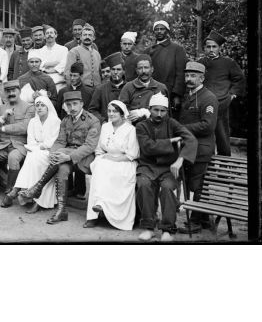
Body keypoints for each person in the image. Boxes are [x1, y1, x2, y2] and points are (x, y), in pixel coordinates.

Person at [18, 91, 100, 224]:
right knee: (61, 168)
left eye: (75, 104)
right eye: (69, 105)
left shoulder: (92, 121)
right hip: (65, 155)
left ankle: (37, 188)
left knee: (61, 157)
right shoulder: (66, 120)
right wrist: (53, 154)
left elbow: (89, 146)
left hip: (84, 157)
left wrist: (67, 157)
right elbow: (60, 141)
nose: (72, 108)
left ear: (81, 104)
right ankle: (62, 211)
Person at [135, 93, 197, 242]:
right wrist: (170, 141)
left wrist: (180, 159)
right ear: (149, 109)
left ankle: (168, 229)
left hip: (168, 168)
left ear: (167, 111)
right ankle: (148, 226)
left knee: (168, 188)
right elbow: (148, 147)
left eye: (163, 111)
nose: (159, 114)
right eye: (156, 110)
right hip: (147, 166)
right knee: (143, 185)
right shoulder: (141, 126)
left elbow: (191, 139)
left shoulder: (172, 123)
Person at [84, 100, 140, 230]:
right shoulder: (105, 127)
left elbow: (132, 154)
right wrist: (101, 158)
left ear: (122, 114)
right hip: (106, 158)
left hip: (125, 162)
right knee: (99, 168)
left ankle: (111, 212)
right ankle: (94, 214)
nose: (111, 114)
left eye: (114, 111)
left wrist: (114, 160)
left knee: (109, 171)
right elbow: (99, 149)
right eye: (109, 111)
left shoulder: (130, 130)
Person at [177, 61, 219, 233]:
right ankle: (204, 220)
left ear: (202, 78)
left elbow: (207, 126)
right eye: (187, 75)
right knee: (192, 184)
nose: (189, 79)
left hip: (201, 149)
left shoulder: (208, 98)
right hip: (189, 147)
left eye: (193, 76)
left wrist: (182, 129)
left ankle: (195, 222)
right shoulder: (189, 95)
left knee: (197, 186)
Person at [7, 94, 61, 213]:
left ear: (48, 107)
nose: (40, 107)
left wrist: (41, 146)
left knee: (32, 158)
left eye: (43, 105)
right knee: (33, 157)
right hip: (35, 151)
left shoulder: (55, 121)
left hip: (49, 151)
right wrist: (37, 147)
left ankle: (17, 188)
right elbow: (30, 140)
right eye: (37, 105)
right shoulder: (33, 121)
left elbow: (53, 141)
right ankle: (31, 195)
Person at [198, 30, 245, 156]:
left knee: (222, 133)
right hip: (203, 103)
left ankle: (225, 166)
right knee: (205, 133)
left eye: (214, 46)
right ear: (204, 48)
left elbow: (239, 79)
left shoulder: (228, 62)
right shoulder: (200, 63)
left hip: (222, 102)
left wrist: (233, 94)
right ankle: (207, 162)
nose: (211, 49)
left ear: (219, 48)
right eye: (208, 47)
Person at [147, 20, 187, 114]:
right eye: (156, 29)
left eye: (162, 29)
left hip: (169, 92)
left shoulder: (177, 49)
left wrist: (177, 95)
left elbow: (181, 73)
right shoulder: (148, 51)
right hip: (151, 92)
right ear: (154, 32)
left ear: (167, 31)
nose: (159, 31)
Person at [119, 54, 168, 125]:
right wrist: (132, 114)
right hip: (133, 127)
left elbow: (166, 113)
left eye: (146, 67)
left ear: (152, 69)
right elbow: (121, 109)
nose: (143, 71)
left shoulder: (161, 88)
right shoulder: (128, 87)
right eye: (140, 68)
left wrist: (143, 113)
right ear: (136, 70)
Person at [89, 54, 126, 124]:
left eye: (118, 69)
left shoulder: (129, 87)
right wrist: (103, 121)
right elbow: (92, 110)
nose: (115, 72)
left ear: (123, 71)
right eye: (113, 69)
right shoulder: (100, 89)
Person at [64, 24, 102, 90]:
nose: (87, 37)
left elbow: (100, 73)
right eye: (85, 35)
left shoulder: (97, 54)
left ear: (94, 38)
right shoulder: (74, 52)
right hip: (80, 89)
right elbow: (67, 73)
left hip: (96, 89)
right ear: (81, 37)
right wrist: (71, 89)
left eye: (90, 35)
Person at [36, 26, 68, 91]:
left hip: (60, 83)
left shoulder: (63, 49)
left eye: (51, 33)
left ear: (56, 35)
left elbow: (64, 64)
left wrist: (52, 69)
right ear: (44, 37)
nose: (49, 35)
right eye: (47, 33)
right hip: (44, 83)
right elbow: (39, 65)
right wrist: (55, 63)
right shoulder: (40, 51)